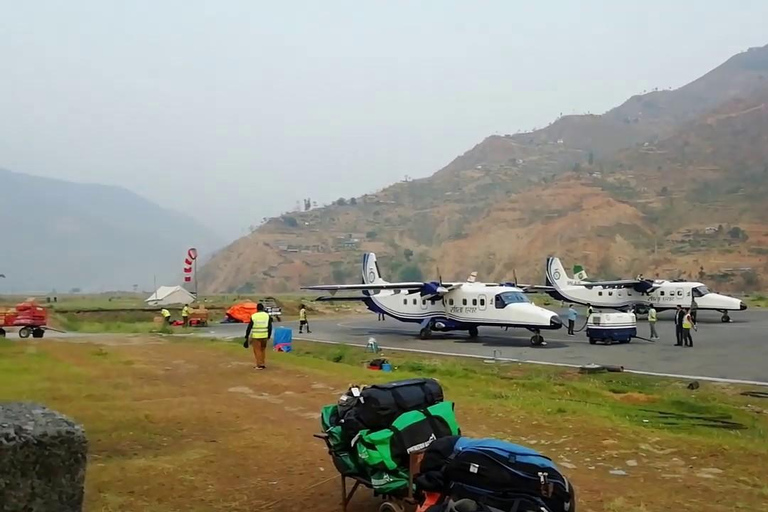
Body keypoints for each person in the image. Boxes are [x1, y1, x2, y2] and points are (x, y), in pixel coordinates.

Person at [244, 303, 273, 370]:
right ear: (263, 308)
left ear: (257, 309)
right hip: (265, 335)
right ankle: (262, 363)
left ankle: (259, 365)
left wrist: (246, 336)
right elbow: (270, 327)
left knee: (257, 350)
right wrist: (269, 335)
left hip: (256, 336)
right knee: (263, 350)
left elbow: (249, 327)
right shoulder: (267, 316)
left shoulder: (254, 316)